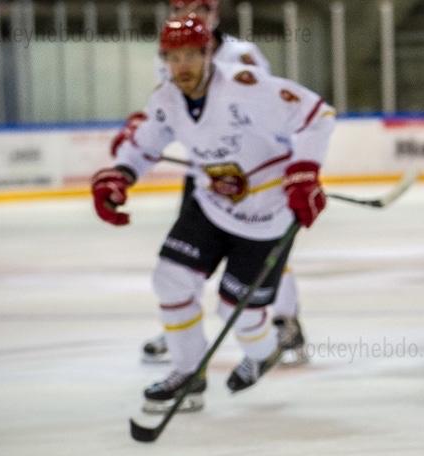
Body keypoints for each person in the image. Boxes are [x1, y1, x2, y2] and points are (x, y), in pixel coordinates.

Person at [91, 14, 335, 413]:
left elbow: (316, 115)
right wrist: (119, 174)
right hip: (211, 206)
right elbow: (145, 144)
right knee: (170, 279)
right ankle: (188, 376)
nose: (181, 66)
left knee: (237, 315)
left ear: (208, 53)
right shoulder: (167, 97)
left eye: (190, 55)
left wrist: (304, 172)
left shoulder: (246, 87)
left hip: (265, 214)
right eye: (173, 57)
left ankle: (265, 351)